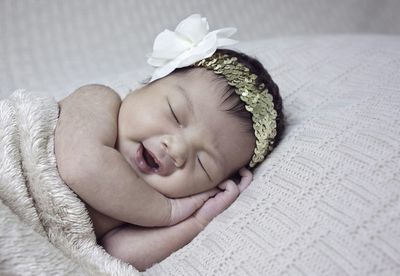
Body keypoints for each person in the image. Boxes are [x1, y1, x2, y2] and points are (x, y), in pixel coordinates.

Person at [54, 14, 284, 271]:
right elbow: (82, 167)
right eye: (175, 113)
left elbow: (116, 256)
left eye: (203, 163)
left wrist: (197, 221)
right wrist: (169, 212)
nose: (176, 149)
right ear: (143, 86)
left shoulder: (140, 210)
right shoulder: (97, 100)